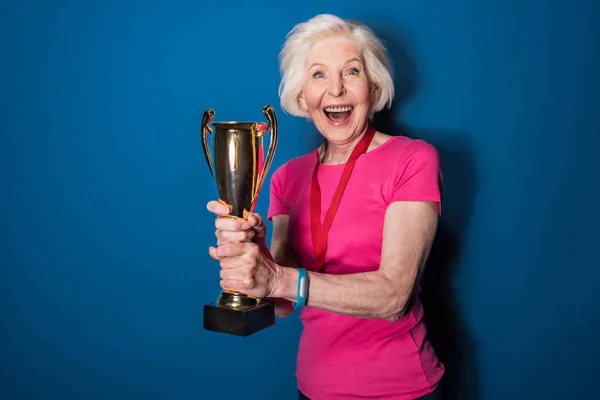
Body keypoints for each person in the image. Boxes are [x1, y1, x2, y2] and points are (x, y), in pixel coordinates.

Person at [207, 14, 444, 400]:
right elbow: (281, 304)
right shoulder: (286, 177)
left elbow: (393, 297)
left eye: (351, 72)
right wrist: (254, 250)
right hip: (314, 387)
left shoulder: (412, 159)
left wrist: (279, 278)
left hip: (401, 390)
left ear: (373, 86)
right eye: (318, 75)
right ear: (302, 96)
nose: (335, 89)